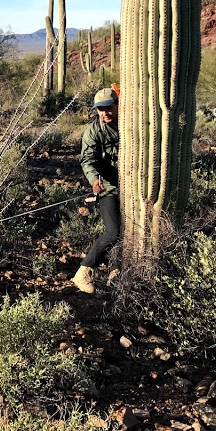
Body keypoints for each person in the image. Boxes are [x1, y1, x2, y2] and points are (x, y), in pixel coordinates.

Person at [72, 87, 121, 295]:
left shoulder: (132, 123)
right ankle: (84, 271)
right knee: (113, 232)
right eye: (100, 109)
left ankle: (117, 272)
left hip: (136, 188)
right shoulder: (94, 130)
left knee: (133, 233)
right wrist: (94, 180)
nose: (104, 112)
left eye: (108, 107)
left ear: (117, 105)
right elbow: (88, 160)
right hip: (108, 188)